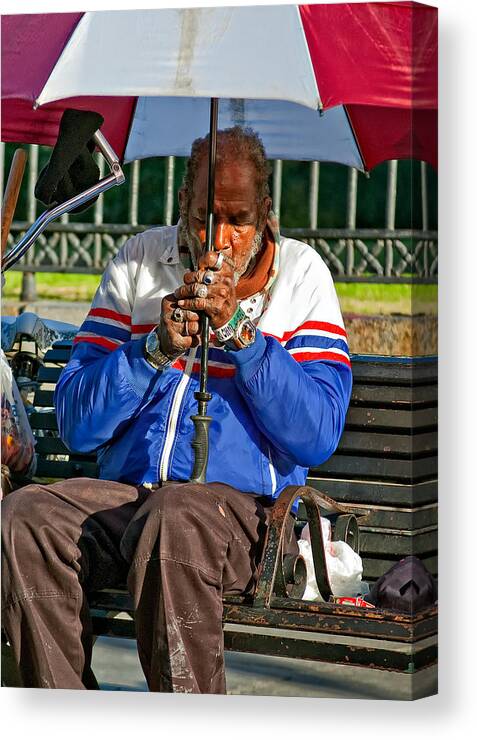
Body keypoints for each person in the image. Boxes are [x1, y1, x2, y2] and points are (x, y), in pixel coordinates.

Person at [2, 127, 352, 693]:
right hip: (130, 501)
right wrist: (151, 351)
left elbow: (317, 434)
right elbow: (76, 422)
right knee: (26, 518)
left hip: (247, 517)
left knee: (176, 514)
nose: (219, 237)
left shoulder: (303, 276)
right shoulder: (139, 261)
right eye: (203, 215)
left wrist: (245, 338)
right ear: (181, 205)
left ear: (266, 212)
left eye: (238, 219)